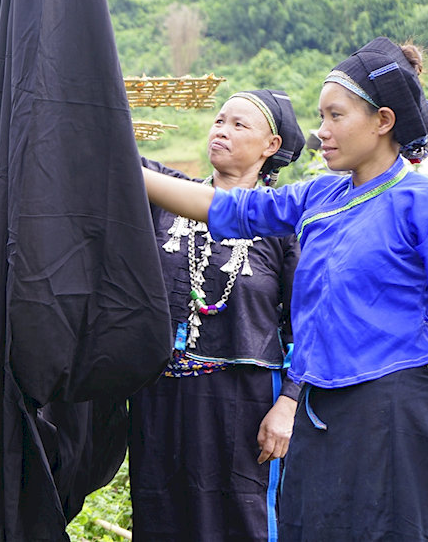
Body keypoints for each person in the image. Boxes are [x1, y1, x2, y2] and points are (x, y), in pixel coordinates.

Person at [142, 37, 428, 540]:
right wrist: (126, 170)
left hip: (401, 413)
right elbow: (227, 210)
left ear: (383, 121)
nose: (320, 133)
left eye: (336, 117)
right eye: (320, 117)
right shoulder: (320, 196)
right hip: (322, 415)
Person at [129, 89, 305, 541]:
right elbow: (114, 154)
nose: (221, 131)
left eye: (239, 125)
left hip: (245, 401)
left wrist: (288, 403)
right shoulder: (167, 198)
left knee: (241, 520)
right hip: (161, 394)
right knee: (161, 515)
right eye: (219, 120)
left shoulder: (283, 222)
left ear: (271, 145)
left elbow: (310, 320)